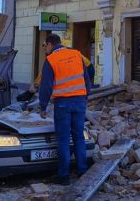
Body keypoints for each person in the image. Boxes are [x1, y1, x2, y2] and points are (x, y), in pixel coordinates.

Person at [38, 34, 91, 185]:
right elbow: (86, 78)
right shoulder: (76, 54)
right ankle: (82, 170)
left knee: (63, 140)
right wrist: (85, 95)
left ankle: (64, 176)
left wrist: (43, 106)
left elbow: (46, 86)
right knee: (79, 137)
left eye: (45, 46)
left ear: (49, 44)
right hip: (80, 101)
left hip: (63, 103)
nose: (45, 50)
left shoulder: (51, 60)